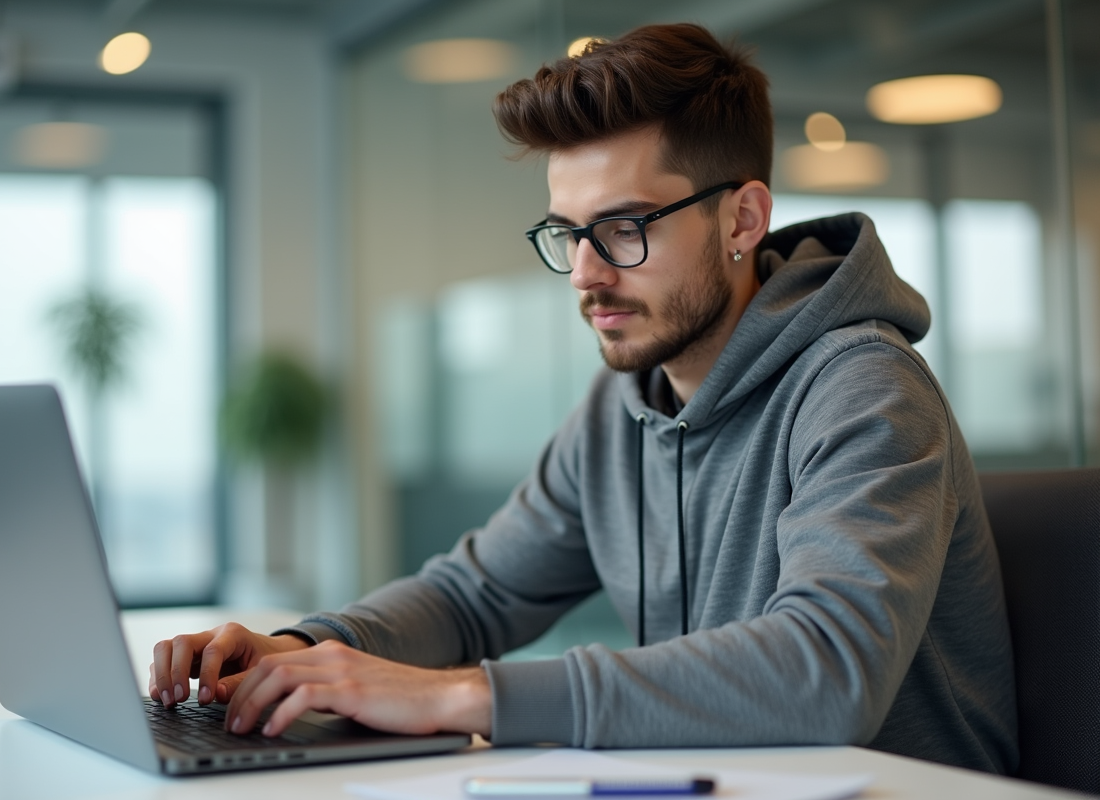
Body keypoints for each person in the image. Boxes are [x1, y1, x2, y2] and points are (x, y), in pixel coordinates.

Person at [150, 23, 1017, 774]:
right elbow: (475, 596)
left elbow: (826, 673)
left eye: (625, 229)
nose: (586, 275)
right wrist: (307, 649)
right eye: (568, 234)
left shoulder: (863, 386)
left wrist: (462, 697)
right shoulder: (625, 406)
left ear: (743, 221)